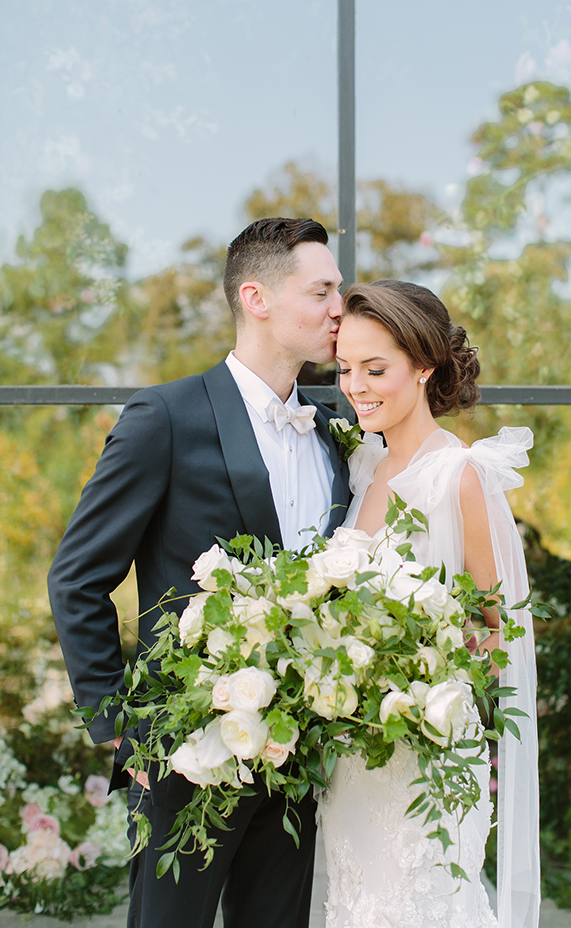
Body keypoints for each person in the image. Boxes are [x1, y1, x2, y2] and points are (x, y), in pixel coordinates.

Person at [48, 217, 351, 928]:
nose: (340, 308)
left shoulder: (336, 427)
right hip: (186, 758)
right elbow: (78, 576)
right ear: (258, 298)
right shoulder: (167, 416)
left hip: (304, 760)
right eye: (323, 291)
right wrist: (118, 726)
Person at [319, 280, 540, 928]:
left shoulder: (462, 475)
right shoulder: (363, 467)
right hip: (357, 759)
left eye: (375, 368)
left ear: (423, 366)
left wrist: (423, 669)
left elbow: (505, 635)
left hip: (430, 758)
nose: (355, 386)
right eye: (346, 369)